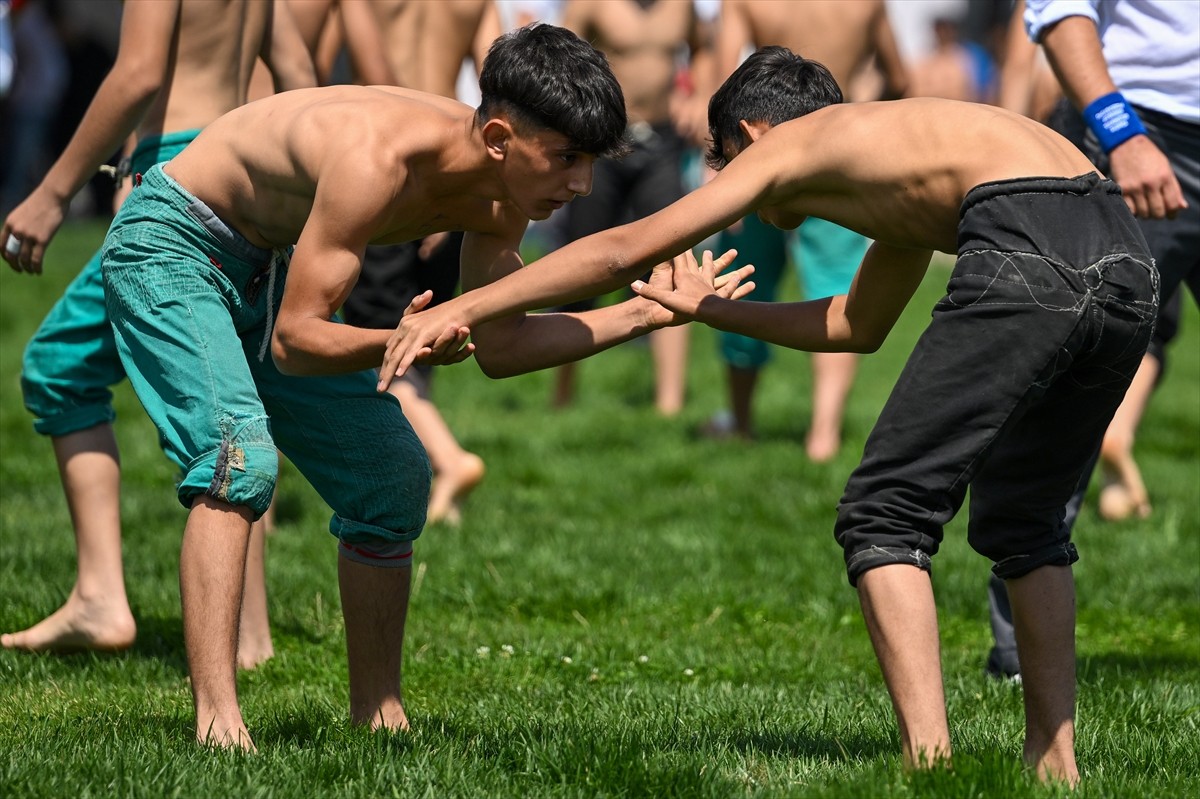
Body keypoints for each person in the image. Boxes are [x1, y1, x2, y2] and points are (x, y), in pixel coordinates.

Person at [384, 47, 1159, 785]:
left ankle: (930, 768)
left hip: (1025, 244)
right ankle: (1055, 766)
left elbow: (627, 249)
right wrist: (710, 309)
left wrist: (463, 307)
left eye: (727, 161)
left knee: (885, 511)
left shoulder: (792, 141)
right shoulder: (899, 161)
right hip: (1126, 256)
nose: (733, 183)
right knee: (1026, 523)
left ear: (753, 136)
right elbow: (857, 324)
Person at [8, 23, 741, 751]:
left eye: (590, 162)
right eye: (567, 158)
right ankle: (218, 726)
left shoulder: (503, 195)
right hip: (171, 244)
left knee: (392, 477)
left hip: (264, 262)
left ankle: (379, 714)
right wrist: (401, 337)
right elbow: (297, 343)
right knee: (236, 457)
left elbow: (504, 346)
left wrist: (644, 314)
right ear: (498, 138)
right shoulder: (376, 158)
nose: (582, 184)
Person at [0, 0, 315, 665]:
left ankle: (99, 597)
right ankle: (251, 636)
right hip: (245, 169)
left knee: (59, 366)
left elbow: (139, 73)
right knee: (238, 401)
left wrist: (53, 194)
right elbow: (297, 75)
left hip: (180, 177)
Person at [982, 0, 1199, 681]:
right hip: (1142, 131)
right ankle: (1019, 655)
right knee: (1068, 384)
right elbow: (1060, 8)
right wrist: (1119, 130)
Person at [702, 0, 907, 457]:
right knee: (839, 289)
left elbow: (726, 76)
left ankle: (740, 421)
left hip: (759, 155)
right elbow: (899, 76)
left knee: (741, 285)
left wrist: (720, 176)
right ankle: (823, 435)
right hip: (835, 157)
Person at [337, 0, 499, 525]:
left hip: (385, 165)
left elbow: (349, 73)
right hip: (454, 168)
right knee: (429, 336)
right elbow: (499, 83)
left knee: (380, 338)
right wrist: (460, 188)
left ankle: (447, 460)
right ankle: (424, 467)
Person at [547, 0, 717, 416]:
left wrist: (698, 96)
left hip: (662, 142)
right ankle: (562, 392)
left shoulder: (681, 6)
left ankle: (669, 404)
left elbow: (704, 49)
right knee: (579, 264)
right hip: (605, 141)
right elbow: (558, 60)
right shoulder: (592, 3)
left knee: (673, 259)